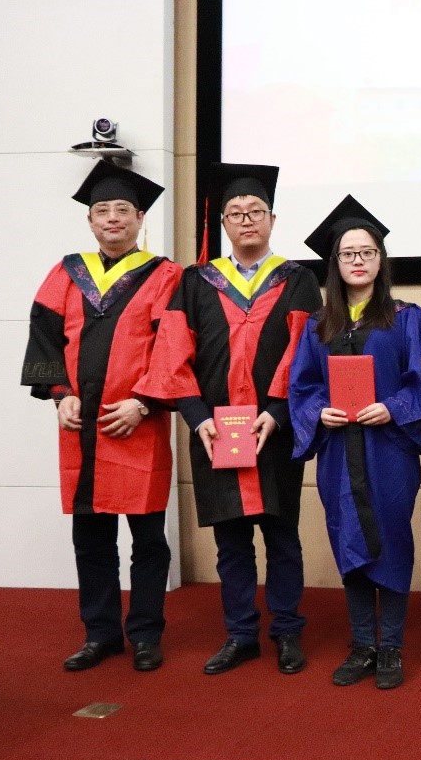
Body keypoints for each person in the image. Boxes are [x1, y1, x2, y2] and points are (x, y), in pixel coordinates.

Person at [136, 163, 323, 675]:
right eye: (236, 213)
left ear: (272, 219)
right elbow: (172, 352)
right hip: (215, 430)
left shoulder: (298, 280)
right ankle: (240, 634)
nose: (246, 220)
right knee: (231, 540)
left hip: (274, 430)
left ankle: (287, 631)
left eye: (256, 211)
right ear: (223, 222)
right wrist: (197, 417)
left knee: (282, 535)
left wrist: (278, 412)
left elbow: (305, 354)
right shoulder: (196, 281)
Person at [22, 160, 181, 672]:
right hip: (82, 426)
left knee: (148, 539)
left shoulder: (165, 276)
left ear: (139, 218)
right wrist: (58, 394)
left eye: (122, 210)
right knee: (91, 538)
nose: (112, 217)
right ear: (90, 221)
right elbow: (44, 335)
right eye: (102, 210)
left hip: (138, 423)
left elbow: (174, 344)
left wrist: (144, 402)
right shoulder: (67, 272)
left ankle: (146, 634)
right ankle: (101, 634)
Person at [288, 196, 421, 689]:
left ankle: (391, 647)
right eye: (348, 253)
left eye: (367, 252)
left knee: (391, 538)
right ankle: (363, 644)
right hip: (337, 451)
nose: (358, 260)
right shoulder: (318, 325)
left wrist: (393, 407)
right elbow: (302, 386)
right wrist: (317, 412)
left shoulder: (405, 317)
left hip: (387, 449)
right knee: (347, 537)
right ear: (335, 263)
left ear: (380, 260)